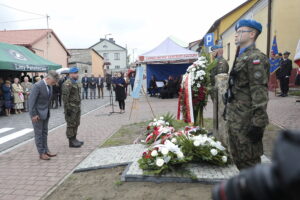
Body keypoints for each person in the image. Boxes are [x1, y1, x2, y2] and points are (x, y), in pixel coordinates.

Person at [224, 19, 270, 170]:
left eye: (239, 32)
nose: (236, 36)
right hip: (236, 117)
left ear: (252, 34)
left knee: (249, 161)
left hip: (246, 120)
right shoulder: (242, 57)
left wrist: (258, 123)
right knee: (238, 158)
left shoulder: (255, 58)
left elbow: (259, 93)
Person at [28, 70, 59, 160]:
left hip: (46, 113)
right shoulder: (37, 86)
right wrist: (33, 115)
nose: (54, 84)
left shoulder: (50, 86)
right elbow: (31, 102)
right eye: (53, 82)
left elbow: (47, 100)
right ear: (48, 78)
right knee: (39, 134)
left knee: (44, 133)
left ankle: (46, 150)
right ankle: (41, 153)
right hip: (37, 115)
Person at [62, 67, 84, 148]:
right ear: (71, 74)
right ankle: (71, 141)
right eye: (75, 73)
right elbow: (65, 98)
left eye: (77, 73)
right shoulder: (67, 83)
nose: (77, 74)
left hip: (77, 107)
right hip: (71, 107)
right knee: (71, 124)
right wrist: (67, 109)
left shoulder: (75, 82)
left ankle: (75, 138)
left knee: (76, 123)